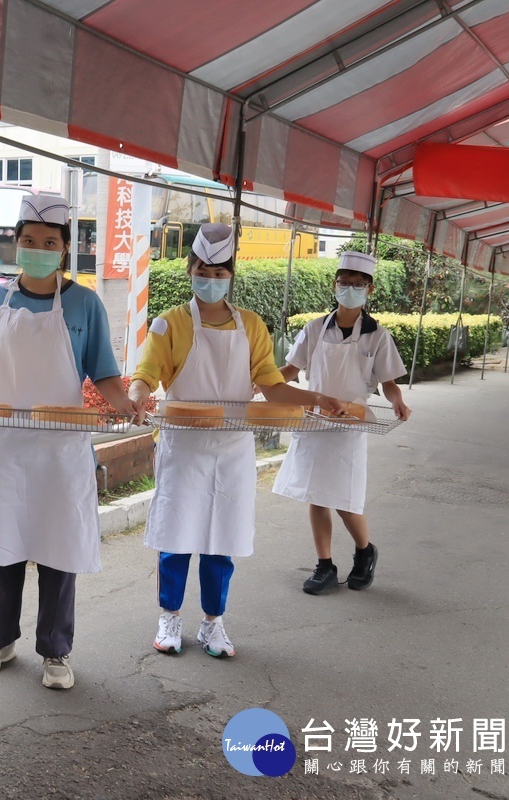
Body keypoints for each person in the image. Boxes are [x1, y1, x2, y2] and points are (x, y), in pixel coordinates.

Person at [0, 194, 138, 690]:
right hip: (3, 446)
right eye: (28, 241)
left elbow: (106, 374)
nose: (37, 249)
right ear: (16, 244)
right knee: (2, 544)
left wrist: (128, 403)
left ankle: (56, 650)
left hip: (59, 447)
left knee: (57, 549)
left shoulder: (84, 303)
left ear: (64, 250)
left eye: (48, 243)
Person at [127, 223, 343, 659]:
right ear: (190, 269)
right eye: (203, 269)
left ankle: (213, 623)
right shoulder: (170, 323)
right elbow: (145, 375)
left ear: (231, 274)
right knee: (177, 535)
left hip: (232, 450)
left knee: (221, 540)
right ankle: (169, 616)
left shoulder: (252, 326)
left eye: (220, 271)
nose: (211, 278)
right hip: (184, 446)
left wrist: (316, 397)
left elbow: (272, 386)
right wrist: (137, 394)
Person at [272, 251, 411, 595]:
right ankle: (324, 565)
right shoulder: (315, 329)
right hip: (314, 420)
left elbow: (389, 381)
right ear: (335, 285)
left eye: (358, 285)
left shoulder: (377, 335)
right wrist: (262, 381)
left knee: (346, 499)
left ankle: (365, 551)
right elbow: (290, 370)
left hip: (351, 423)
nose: (350, 289)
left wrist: (398, 402)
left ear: (370, 290)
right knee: (317, 497)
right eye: (345, 283)